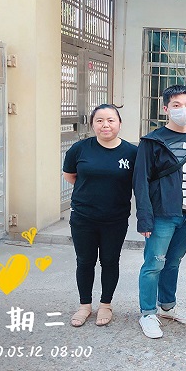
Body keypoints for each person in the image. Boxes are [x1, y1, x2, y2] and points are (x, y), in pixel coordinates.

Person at [134, 84, 186, 339]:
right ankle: (147, 313)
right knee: (154, 263)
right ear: (165, 108)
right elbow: (141, 182)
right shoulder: (152, 141)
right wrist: (144, 218)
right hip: (161, 214)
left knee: (173, 262)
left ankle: (167, 306)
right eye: (176, 105)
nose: (182, 110)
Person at [63, 104, 137, 327]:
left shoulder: (132, 152)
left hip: (115, 219)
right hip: (83, 217)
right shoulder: (80, 149)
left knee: (110, 261)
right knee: (84, 261)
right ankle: (84, 305)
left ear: (119, 123)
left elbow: (137, 182)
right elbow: (70, 175)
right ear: (93, 124)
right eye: (100, 120)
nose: (105, 125)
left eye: (111, 120)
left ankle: (106, 304)